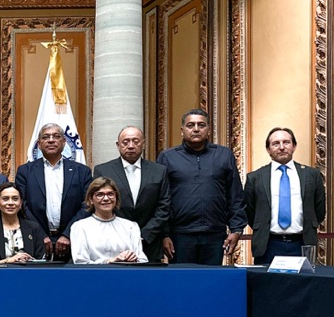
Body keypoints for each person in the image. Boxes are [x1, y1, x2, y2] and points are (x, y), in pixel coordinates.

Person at [156, 108, 247, 264]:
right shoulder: (167, 157)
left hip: (215, 234)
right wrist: (164, 234)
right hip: (180, 235)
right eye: (190, 125)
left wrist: (237, 229)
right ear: (182, 131)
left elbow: (235, 195)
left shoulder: (224, 155)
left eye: (201, 125)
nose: (196, 129)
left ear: (209, 130)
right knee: (181, 278)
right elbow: (160, 199)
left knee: (211, 278)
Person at [243, 126, 326, 264]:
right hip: (268, 245)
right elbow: (250, 212)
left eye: (286, 142)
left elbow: (319, 210)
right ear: (268, 149)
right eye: (275, 143)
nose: (281, 147)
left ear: (294, 146)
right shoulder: (255, 177)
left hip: (302, 243)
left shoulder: (312, 175)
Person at [92, 126, 171, 263]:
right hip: (113, 241)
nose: (130, 146)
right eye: (125, 142)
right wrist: (122, 235)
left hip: (150, 242)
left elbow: (163, 206)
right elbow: (99, 205)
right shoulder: (103, 170)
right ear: (118, 145)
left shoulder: (159, 171)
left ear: (143, 144)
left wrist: (144, 235)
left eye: (135, 141)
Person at [14, 122, 92, 261]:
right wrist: (40, 234)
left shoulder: (82, 171)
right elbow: (22, 205)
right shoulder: (25, 171)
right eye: (46, 137)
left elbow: (87, 204)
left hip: (74, 240)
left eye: (56, 136)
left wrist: (68, 234)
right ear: (39, 144)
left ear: (64, 142)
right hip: (35, 240)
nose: (51, 140)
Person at [70, 177, 148, 264]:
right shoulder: (80, 227)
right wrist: (110, 261)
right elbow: (81, 263)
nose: (106, 198)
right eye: (100, 195)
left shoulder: (131, 226)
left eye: (110, 194)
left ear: (116, 197)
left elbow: (142, 260)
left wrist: (133, 258)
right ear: (91, 199)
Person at [0, 182, 47, 264]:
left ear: (20, 203)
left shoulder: (34, 228)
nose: (10, 203)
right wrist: (9, 260)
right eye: (5, 199)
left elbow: (40, 260)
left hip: (28, 271)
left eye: (15, 199)